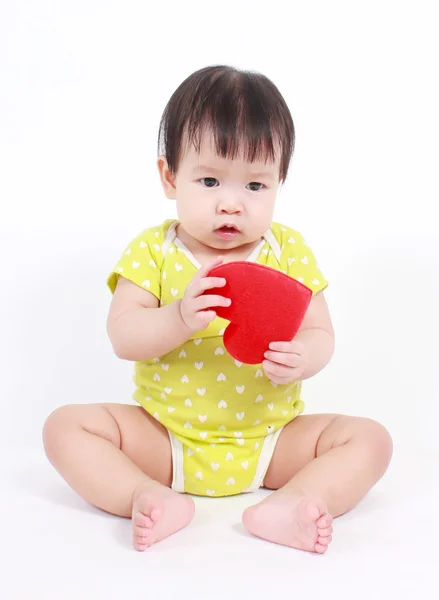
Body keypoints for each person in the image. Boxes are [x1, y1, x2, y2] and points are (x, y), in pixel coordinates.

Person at [43, 65, 393, 553]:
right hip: (165, 438)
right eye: (209, 181)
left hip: (272, 439)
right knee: (65, 427)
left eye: (255, 186)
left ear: (279, 182)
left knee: (371, 439)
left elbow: (320, 331)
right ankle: (144, 495)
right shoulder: (153, 251)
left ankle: (295, 501)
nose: (232, 204)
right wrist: (177, 318)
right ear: (170, 177)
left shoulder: (287, 250)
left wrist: (303, 357)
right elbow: (123, 335)